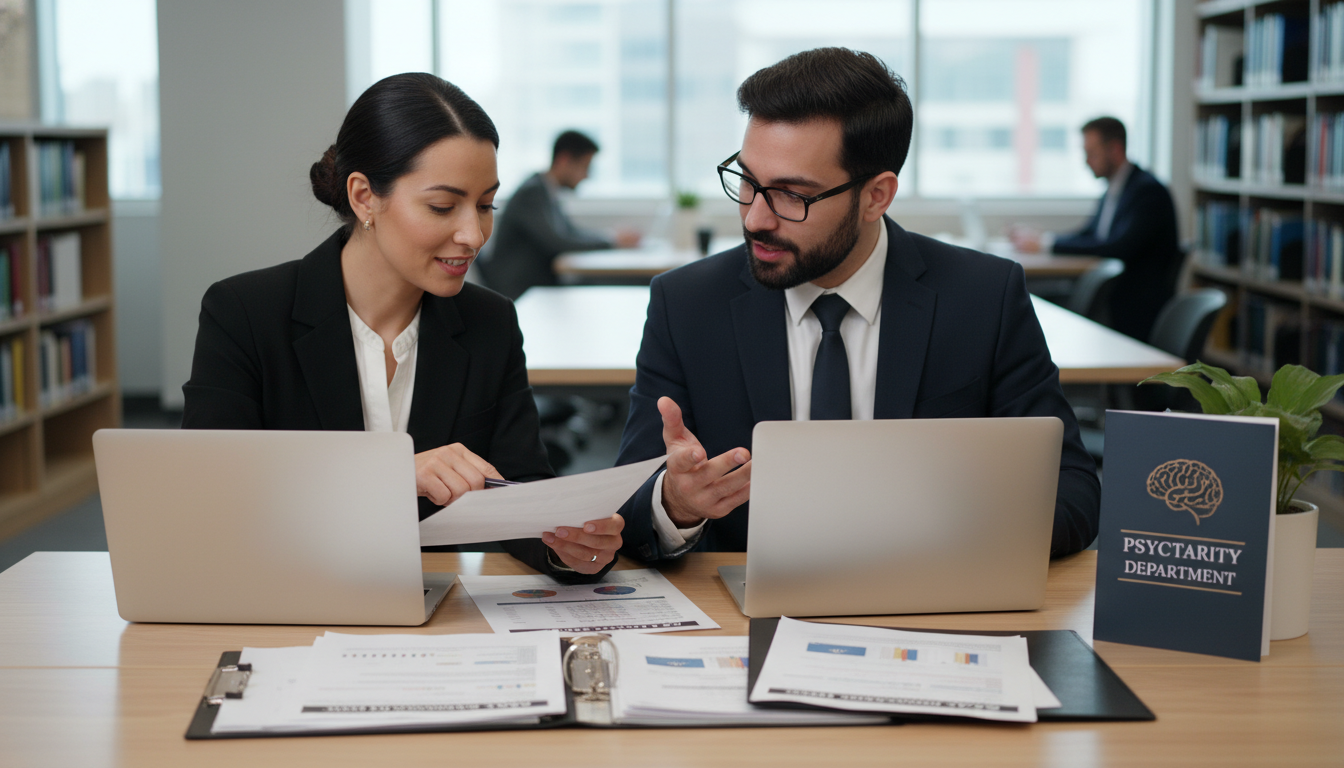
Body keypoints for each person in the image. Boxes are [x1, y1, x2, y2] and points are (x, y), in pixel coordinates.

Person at [612, 48, 1100, 563]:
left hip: (929, 591)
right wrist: (676, 505)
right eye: (748, 182)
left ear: (876, 196)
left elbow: (1073, 492)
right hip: (743, 600)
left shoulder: (983, 297)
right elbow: (628, 505)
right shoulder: (687, 304)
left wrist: (947, 526)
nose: (755, 218)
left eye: (792, 195)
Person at [181, 73, 622, 581]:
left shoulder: (490, 322)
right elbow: (210, 493)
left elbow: (520, 491)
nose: (474, 234)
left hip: (428, 606)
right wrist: (391, 475)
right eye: (442, 207)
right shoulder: (245, 312)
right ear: (364, 197)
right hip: (284, 592)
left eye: (485, 206)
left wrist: (568, 545)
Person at [1010, 117, 1182, 342]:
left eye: (1092, 153)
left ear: (1115, 149)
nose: (1087, 161)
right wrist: (1044, 239)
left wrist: (1047, 244)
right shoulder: (1117, 187)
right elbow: (1090, 233)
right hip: (1114, 297)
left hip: (1134, 305)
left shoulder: (1147, 191)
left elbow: (1117, 247)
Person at [482, 130, 640, 299]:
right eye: (585, 166)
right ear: (564, 160)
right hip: (521, 291)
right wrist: (613, 241)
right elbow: (558, 242)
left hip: (538, 285)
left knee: (603, 284)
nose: (587, 175)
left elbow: (572, 232)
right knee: (605, 287)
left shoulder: (546, 190)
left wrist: (612, 237)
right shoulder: (533, 193)